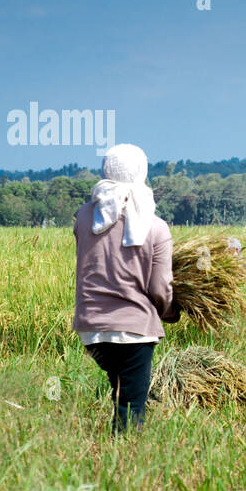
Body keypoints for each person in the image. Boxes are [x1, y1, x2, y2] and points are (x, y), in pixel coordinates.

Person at [73, 144, 180, 432]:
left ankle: (112, 454)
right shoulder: (156, 227)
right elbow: (160, 286)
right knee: (131, 404)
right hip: (134, 329)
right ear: (142, 173)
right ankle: (123, 463)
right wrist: (170, 311)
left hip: (91, 329)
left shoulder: (84, 217)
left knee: (120, 391)